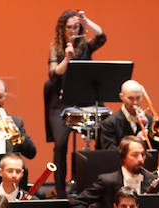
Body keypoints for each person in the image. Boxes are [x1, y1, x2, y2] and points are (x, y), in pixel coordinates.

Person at [45, 9, 106, 197]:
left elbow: (102, 36)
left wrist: (86, 20)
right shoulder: (56, 47)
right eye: (70, 27)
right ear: (62, 29)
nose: (73, 30)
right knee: (61, 144)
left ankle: (96, 188)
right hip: (61, 103)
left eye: (76, 26)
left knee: (103, 136)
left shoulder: (85, 45)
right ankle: (62, 193)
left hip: (85, 100)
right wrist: (67, 58)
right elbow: (54, 74)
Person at [73, 136, 159, 208]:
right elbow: (77, 203)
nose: (140, 159)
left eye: (143, 155)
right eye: (135, 155)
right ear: (123, 157)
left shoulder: (152, 180)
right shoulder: (107, 181)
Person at [99, 80, 159, 152]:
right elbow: (110, 152)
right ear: (121, 97)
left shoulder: (148, 119)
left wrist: (146, 126)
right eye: (130, 98)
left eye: (138, 98)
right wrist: (135, 141)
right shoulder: (109, 123)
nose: (135, 102)